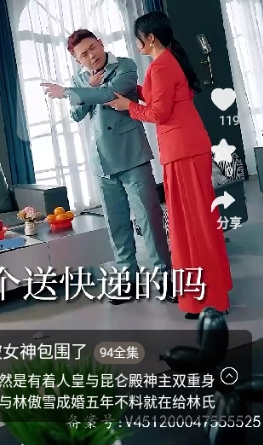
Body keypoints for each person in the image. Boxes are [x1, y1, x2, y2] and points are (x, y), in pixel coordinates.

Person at [105, 11, 233, 319]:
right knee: (198, 221)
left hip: (182, 150)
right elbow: (161, 99)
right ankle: (211, 290)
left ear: (150, 38)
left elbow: (158, 113)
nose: (137, 45)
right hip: (186, 147)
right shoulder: (167, 63)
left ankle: (207, 298)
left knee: (192, 225)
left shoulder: (161, 66)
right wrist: (134, 93)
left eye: (138, 40)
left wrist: (128, 106)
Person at [41, 29, 176, 305]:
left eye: (93, 48)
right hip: (101, 161)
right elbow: (77, 114)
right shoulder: (80, 79)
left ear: (101, 43)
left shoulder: (125, 65)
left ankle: (165, 279)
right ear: (77, 60)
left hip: (132, 154)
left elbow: (109, 94)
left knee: (149, 220)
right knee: (117, 224)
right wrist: (83, 90)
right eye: (84, 55)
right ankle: (129, 281)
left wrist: (72, 92)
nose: (91, 56)